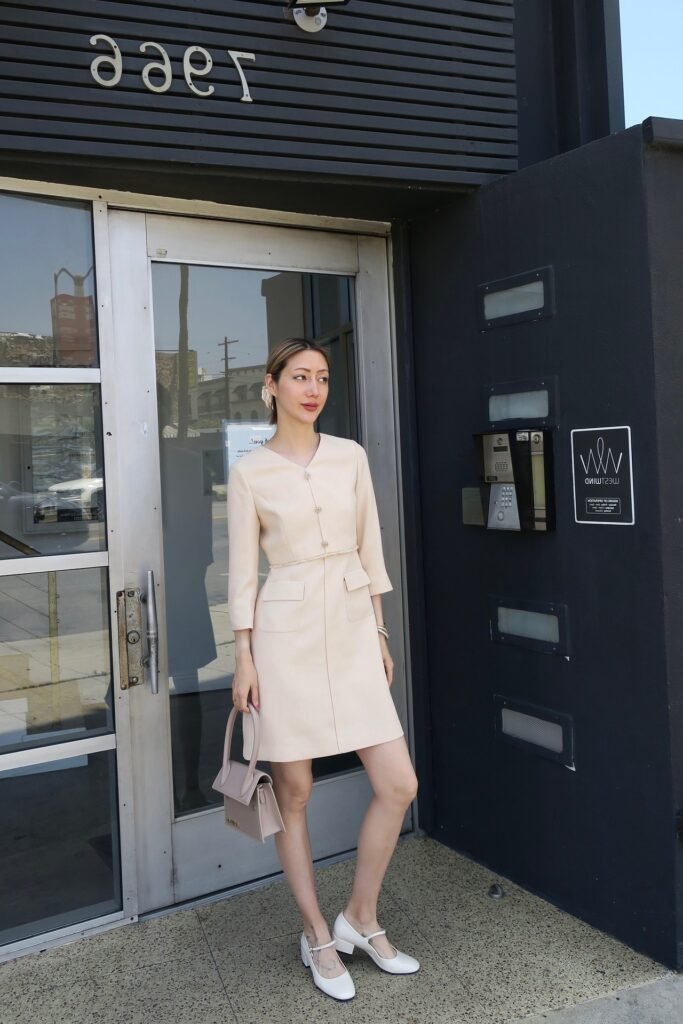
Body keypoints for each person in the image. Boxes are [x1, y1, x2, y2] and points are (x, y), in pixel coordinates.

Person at [226, 338, 419, 1001]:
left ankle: (359, 917)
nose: (313, 389)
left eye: (322, 378)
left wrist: (379, 630)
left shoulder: (349, 456)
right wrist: (243, 655)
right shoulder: (250, 471)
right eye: (300, 377)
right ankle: (315, 933)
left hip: (351, 622)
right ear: (271, 384)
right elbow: (241, 574)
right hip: (284, 638)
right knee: (295, 792)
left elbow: (370, 545)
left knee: (398, 782)